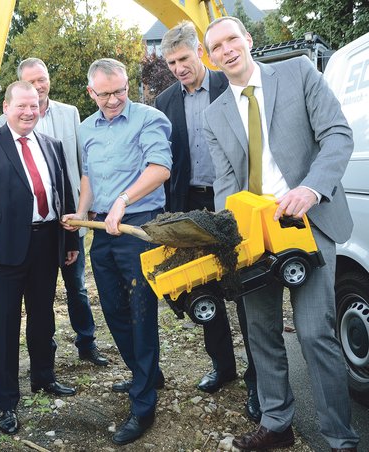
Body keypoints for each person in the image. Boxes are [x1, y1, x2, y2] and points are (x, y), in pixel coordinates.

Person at [202, 16, 359, 452]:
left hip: (307, 220)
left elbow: (336, 134)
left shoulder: (298, 73)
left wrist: (311, 188)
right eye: (216, 47)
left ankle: (339, 438)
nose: (227, 49)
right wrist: (228, 240)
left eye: (232, 39)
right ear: (210, 57)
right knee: (262, 333)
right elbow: (227, 183)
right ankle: (277, 424)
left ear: (248, 40)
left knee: (315, 334)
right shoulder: (214, 115)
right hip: (254, 234)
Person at [155, 20, 260, 423]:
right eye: (170, 62)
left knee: (247, 289)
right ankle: (223, 366)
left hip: (233, 202)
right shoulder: (164, 101)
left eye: (183, 58)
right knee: (206, 291)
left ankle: (257, 377)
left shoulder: (227, 84)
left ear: (200, 51)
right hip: (191, 205)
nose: (178, 67)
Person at [63, 58, 172, 446]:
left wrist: (124, 201)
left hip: (138, 227)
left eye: (120, 91)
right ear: (91, 92)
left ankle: (143, 404)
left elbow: (160, 168)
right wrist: (80, 213)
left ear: (128, 85)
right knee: (112, 308)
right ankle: (147, 373)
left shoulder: (148, 118)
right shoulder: (86, 128)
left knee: (141, 312)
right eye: (105, 93)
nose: (114, 99)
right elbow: (90, 176)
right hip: (102, 231)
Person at [0, 81, 79, 436]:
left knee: (44, 317)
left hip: (47, 244)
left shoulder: (52, 145)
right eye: (22, 106)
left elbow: (65, 193)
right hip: (3, 250)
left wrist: (71, 238)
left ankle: (44, 378)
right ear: (6, 106)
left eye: (35, 106)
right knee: (3, 326)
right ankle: (5, 401)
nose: (30, 112)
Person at [0, 58, 108, 367]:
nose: (39, 86)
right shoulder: (3, 125)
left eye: (42, 79)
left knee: (77, 287)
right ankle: (46, 355)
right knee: (39, 298)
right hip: (28, 227)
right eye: (31, 82)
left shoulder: (70, 114)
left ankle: (87, 343)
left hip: (69, 216)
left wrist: (86, 207)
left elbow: (82, 164)